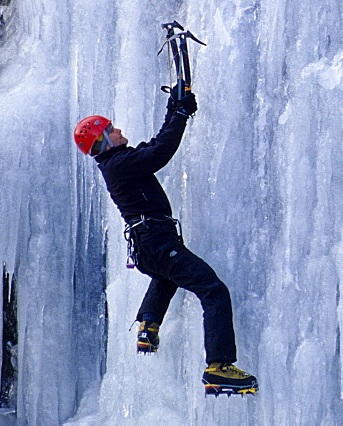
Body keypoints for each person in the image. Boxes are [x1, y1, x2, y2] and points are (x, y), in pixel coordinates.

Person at [73, 90, 258, 395]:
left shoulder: (120, 162)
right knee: (213, 291)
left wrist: (174, 109)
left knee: (166, 277)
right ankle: (219, 367)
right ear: (102, 141)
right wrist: (182, 115)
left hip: (150, 246)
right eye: (112, 129)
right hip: (157, 243)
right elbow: (160, 151)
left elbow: (155, 144)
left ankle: (148, 324)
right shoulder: (118, 163)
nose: (119, 131)